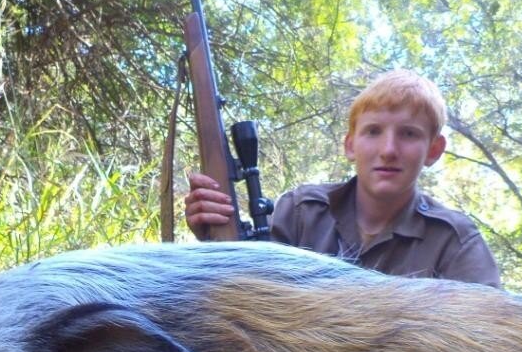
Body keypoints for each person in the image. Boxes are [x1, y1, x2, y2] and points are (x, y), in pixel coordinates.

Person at [184, 69, 502, 288]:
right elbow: (249, 296)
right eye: (373, 131)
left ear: (434, 150)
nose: (389, 150)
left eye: (408, 134)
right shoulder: (300, 212)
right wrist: (217, 239)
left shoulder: (455, 241)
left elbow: (488, 340)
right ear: (350, 145)